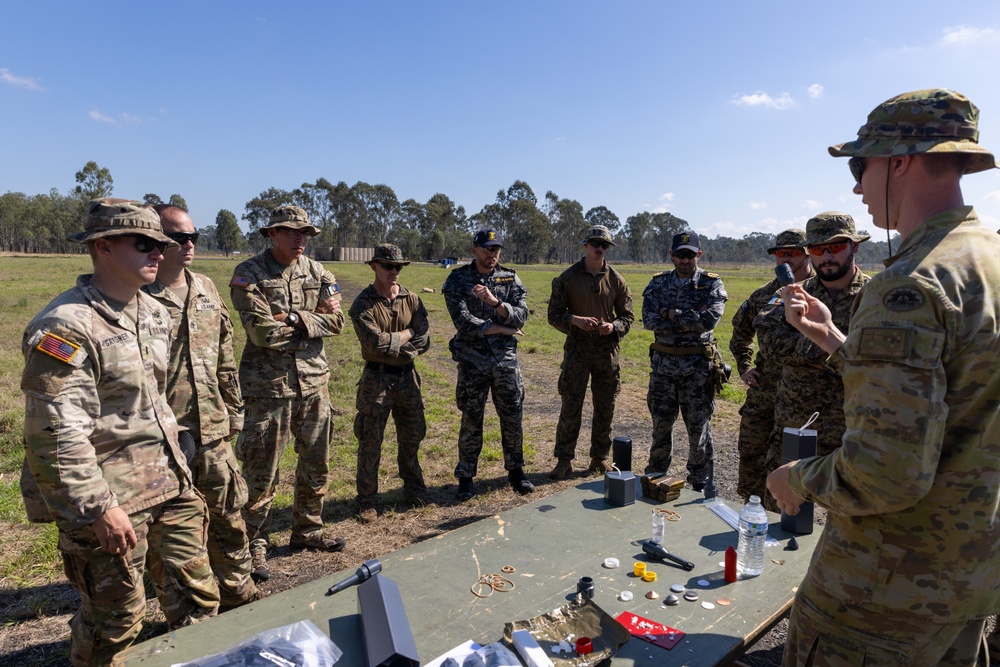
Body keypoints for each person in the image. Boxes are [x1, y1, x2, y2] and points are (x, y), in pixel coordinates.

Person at [767, 88, 1000, 665]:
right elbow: (957, 392)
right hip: (965, 574)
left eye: (860, 164)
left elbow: (884, 475)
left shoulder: (910, 286)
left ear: (902, 160)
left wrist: (798, 478)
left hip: (884, 590)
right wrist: (832, 339)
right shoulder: (984, 258)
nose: (855, 185)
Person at [20, 199, 219, 666]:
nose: (159, 253)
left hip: (169, 484)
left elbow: (153, 397)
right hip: (111, 502)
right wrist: (98, 508)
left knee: (197, 602)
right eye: (145, 244)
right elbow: (54, 432)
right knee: (116, 623)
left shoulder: (151, 312)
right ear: (103, 246)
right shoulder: (64, 327)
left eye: (162, 244)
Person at [142, 204, 260, 610]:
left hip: (212, 427)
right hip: (163, 437)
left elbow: (224, 356)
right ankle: (182, 612)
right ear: (155, 240)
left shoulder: (206, 287)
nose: (188, 244)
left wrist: (233, 410)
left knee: (228, 514)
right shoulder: (135, 295)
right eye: (178, 237)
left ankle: (237, 592)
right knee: (170, 534)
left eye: (192, 236)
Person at [229, 205, 346, 583]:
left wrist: (294, 318)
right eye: (292, 233)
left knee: (316, 463)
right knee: (262, 472)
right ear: (271, 234)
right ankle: (255, 543)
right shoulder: (248, 274)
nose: (300, 240)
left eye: (306, 234)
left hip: (314, 383)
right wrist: (313, 321)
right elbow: (261, 334)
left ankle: (308, 529)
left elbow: (338, 322)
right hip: (269, 389)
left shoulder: (319, 272)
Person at [755, 213, 870, 511]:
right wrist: (829, 349)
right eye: (818, 249)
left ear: (854, 247)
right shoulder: (793, 294)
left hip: (851, 427)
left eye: (836, 246)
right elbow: (768, 342)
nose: (827, 256)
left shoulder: (874, 297)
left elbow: (879, 357)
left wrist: (819, 344)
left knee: (849, 515)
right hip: (796, 420)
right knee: (781, 510)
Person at [442, 228, 535, 500]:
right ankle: (466, 477)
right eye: (486, 249)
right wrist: (500, 329)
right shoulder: (458, 279)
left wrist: (494, 302)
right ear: (475, 251)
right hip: (472, 361)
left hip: (505, 362)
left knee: (512, 416)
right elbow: (462, 321)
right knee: (471, 418)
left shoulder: (509, 277)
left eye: (496, 249)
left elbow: (520, 316)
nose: (492, 254)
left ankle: (516, 472)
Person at [349, 244, 431, 524]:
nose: (394, 271)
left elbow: (425, 339)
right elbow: (375, 343)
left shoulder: (413, 299)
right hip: (377, 379)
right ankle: (368, 501)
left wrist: (399, 343)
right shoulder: (362, 303)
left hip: (408, 377)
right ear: (374, 266)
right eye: (388, 266)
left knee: (412, 436)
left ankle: (414, 489)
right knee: (370, 440)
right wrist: (408, 334)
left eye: (398, 267)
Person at [729, 228, 812, 502]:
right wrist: (744, 366)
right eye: (780, 253)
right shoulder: (764, 294)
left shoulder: (820, 292)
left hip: (804, 396)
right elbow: (740, 333)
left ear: (807, 253)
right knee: (751, 451)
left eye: (792, 252)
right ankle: (751, 511)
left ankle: (785, 515)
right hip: (765, 390)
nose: (785, 258)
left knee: (792, 462)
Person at [641, 231, 727, 489]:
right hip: (663, 369)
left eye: (690, 255)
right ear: (672, 255)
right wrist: (688, 318)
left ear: (698, 255)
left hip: (697, 372)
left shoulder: (711, 283)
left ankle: (701, 482)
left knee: (698, 430)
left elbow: (708, 320)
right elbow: (649, 320)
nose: (685, 260)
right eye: (680, 254)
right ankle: (655, 477)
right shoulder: (658, 283)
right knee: (660, 427)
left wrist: (670, 313)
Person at [547, 225, 634, 480]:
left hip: (607, 351)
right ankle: (564, 460)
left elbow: (628, 316)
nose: (599, 248)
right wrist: (575, 320)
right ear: (585, 245)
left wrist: (613, 326)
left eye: (604, 245)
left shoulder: (617, 280)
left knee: (605, 406)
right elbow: (553, 315)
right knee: (571, 404)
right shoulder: (567, 278)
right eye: (595, 243)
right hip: (577, 349)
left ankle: (599, 458)